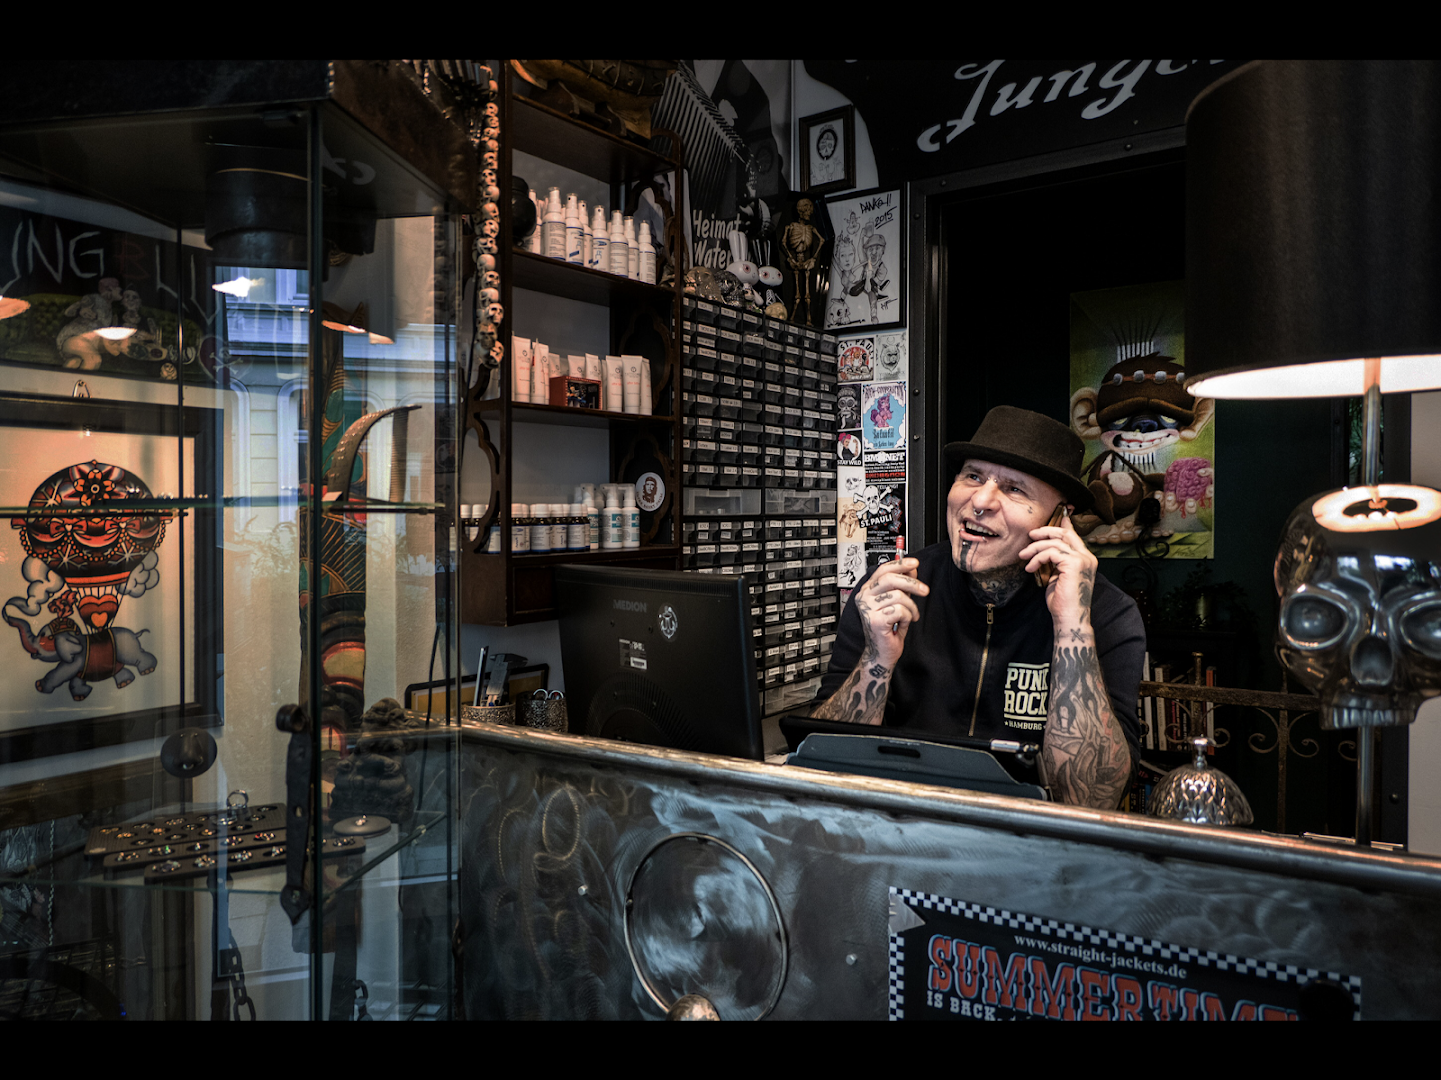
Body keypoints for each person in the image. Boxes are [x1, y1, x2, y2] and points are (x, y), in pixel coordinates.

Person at [812, 406, 1145, 809]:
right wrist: (877, 659)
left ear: (1059, 520)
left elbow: (1091, 799)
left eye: (1015, 489)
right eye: (972, 476)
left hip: (1030, 852)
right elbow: (821, 774)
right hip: (901, 837)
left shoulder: (1106, 613)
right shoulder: (893, 590)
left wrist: (1072, 625)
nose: (980, 501)